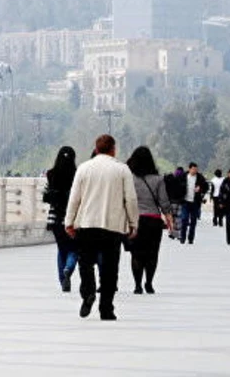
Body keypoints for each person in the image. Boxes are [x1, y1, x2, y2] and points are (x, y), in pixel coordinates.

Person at [64, 134, 139, 321]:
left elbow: (74, 198)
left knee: (86, 263)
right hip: (113, 227)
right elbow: (130, 199)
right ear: (113, 149)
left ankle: (88, 292)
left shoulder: (84, 168)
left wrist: (69, 222)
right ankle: (106, 309)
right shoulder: (122, 170)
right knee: (110, 268)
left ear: (96, 149)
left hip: (87, 224)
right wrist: (133, 223)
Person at [125, 145, 173, 295]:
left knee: (136, 253)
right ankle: (149, 283)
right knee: (152, 253)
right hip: (153, 221)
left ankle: (137, 285)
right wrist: (170, 221)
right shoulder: (158, 179)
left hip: (135, 220)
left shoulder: (129, 178)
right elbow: (164, 202)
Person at [44, 146, 78, 292]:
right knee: (74, 248)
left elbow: (46, 196)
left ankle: (62, 279)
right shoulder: (77, 174)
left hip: (55, 217)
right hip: (72, 217)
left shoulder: (51, 174)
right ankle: (68, 269)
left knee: (61, 249)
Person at [178, 162, 210, 245]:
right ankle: (182, 238)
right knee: (184, 220)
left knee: (193, 221)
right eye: (193, 169)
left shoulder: (200, 177)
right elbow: (177, 187)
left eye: (196, 169)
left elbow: (206, 187)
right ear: (189, 169)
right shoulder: (183, 177)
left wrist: (200, 189)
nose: (195, 171)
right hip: (185, 202)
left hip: (195, 203)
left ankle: (191, 239)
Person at [164, 166, 186, 238]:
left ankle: (171, 232)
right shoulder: (183, 180)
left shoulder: (170, 179)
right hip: (179, 202)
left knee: (171, 217)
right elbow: (184, 191)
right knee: (178, 217)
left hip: (171, 201)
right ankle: (177, 233)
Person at [220, 169, 230, 246]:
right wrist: (221, 202)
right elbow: (221, 193)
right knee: (229, 222)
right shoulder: (225, 182)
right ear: (228, 174)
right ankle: (229, 240)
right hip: (227, 205)